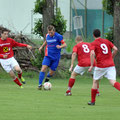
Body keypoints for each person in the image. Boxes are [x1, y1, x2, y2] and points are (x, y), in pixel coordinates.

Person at [88, 29, 120, 105]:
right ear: (100, 34)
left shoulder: (93, 43)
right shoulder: (106, 41)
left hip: (100, 66)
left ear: (93, 35)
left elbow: (92, 54)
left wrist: (92, 65)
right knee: (113, 82)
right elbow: (115, 49)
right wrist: (111, 57)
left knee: (95, 81)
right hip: (110, 65)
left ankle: (93, 101)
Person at [38, 25, 67, 90]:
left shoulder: (58, 36)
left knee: (51, 73)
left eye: (51, 32)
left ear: (54, 31)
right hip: (48, 56)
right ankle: (39, 85)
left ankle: (46, 82)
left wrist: (60, 47)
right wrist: (42, 47)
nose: (50, 34)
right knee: (43, 69)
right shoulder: (47, 35)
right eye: (49, 32)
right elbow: (46, 41)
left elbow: (65, 44)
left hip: (56, 57)